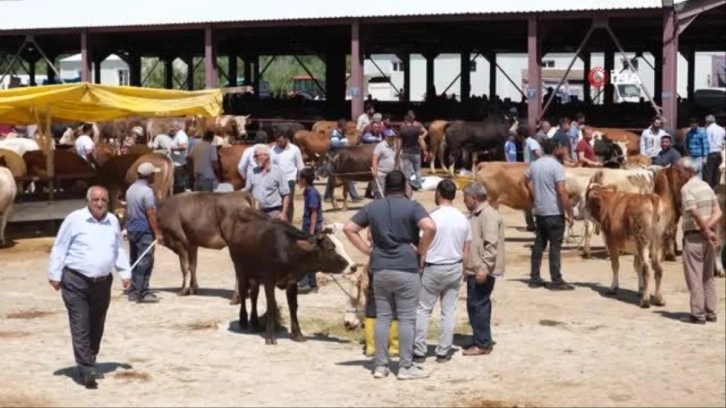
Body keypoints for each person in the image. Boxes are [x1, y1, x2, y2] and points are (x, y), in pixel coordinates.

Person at [343, 170, 436, 380]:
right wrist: (421, 250)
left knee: (382, 318)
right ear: (405, 188)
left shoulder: (373, 207)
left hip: (381, 268)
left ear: (385, 188)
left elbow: (349, 228)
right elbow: (430, 227)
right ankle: (405, 366)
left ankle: (380, 365)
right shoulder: (413, 206)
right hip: (406, 267)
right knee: (406, 319)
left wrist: (368, 251)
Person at [48, 186, 131, 389]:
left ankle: (90, 357)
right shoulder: (74, 220)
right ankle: (86, 370)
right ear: (88, 201)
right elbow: (60, 246)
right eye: (96, 200)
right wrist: (55, 274)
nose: (100, 203)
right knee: (80, 323)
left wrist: (125, 272)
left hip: (102, 282)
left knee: (97, 323)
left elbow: (118, 248)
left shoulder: (112, 220)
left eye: (103, 199)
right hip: (76, 280)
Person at [413, 180, 471, 363]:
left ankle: (419, 350)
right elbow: (466, 248)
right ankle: (443, 350)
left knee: (423, 310)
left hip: (433, 266)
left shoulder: (432, 217)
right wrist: (463, 270)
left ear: (438, 193)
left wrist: (420, 263)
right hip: (454, 266)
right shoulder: (463, 218)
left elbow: (423, 245)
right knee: (449, 311)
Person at [520, 138, 575, 290]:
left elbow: (522, 181)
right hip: (554, 211)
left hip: (540, 211)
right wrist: (569, 212)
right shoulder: (557, 167)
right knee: (555, 246)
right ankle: (556, 280)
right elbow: (561, 191)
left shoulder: (535, 165)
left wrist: (532, 197)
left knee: (539, 244)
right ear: (556, 148)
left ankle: (535, 277)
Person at [462, 182, 504, 356]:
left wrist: (483, 268)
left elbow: (491, 244)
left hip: (482, 269)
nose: (464, 202)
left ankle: (482, 344)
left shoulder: (488, 216)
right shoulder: (476, 215)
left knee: (479, 304)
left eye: (466, 198)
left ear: (474, 197)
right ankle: (479, 338)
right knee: (474, 304)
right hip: (474, 268)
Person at [679, 157, 722, 324]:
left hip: (694, 236)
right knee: (708, 276)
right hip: (707, 236)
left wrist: (703, 230)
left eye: (680, 171)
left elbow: (695, 213)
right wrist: (709, 231)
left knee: (694, 275)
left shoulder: (686, 189)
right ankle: (711, 311)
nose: (679, 174)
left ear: (689, 172)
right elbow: (718, 212)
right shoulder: (706, 186)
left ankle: (698, 313)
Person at [125, 162, 165, 303]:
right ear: (149, 175)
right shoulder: (147, 191)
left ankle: (134, 291)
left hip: (132, 228)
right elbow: (151, 214)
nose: (155, 176)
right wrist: (158, 233)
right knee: (145, 261)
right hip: (144, 230)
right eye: (153, 174)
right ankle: (142, 292)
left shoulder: (131, 189)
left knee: (134, 260)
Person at [244, 144, 290, 220]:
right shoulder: (252, 172)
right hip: (257, 212)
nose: (254, 159)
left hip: (274, 212)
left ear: (265, 156)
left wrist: (283, 213)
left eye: (256, 156)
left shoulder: (278, 172)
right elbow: (247, 191)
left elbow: (285, 194)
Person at [297, 167, 323, 294]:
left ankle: (306, 283)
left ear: (304, 180)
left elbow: (314, 213)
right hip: (307, 227)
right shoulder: (308, 191)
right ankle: (311, 284)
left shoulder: (312, 193)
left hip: (311, 228)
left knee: (307, 256)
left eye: (300, 179)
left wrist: (311, 232)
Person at [271, 130, 304, 222]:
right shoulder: (273, 149)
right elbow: (270, 164)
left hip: (289, 179)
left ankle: (289, 223)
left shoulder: (295, 149)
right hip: (276, 180)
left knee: (289, 202)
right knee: (277, 202)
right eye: (277, 141)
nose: (279, 143)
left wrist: (301, 179)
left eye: (280, 141)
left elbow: (300, 165)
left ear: (286, 139)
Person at [397, 111, 429, 190]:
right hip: (416, 152)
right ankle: (418, 185)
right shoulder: (417, 129)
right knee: (417, 169)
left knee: (406, 170)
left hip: (406, 152)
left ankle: (407, 185)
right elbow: (420, 140)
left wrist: (398, 152)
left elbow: (399, 142)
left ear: (406, 120)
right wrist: (424, 151)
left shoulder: (402, 130)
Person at [522, 128, 541, 231]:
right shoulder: (527, 142)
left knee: (534, 198)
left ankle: (537, 223)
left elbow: (537, 153)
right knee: (527, 198)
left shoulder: (531, 142)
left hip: (533, 173)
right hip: (528, 172)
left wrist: (541, 163)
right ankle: (531, 224)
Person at [371, 129, 398, 199]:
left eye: (393, 137)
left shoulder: (395, 146)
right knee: (380, 192)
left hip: (391, 174)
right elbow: (375, 159)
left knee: (390, 192)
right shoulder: (380, 146)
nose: (392, 138)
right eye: (391, 137)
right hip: (381, 173)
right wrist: (375, 171)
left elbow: (396, 158)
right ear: (386, 137)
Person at [703, 114, 725, 188]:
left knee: (709, 172)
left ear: (707, 122)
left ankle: (709, 188)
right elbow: (723, 141)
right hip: (719, 152)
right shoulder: (721, 129)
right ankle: (717, 187)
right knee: (717, 172)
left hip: (711, 152)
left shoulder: (708, 129)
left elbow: (707, 141)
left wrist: (704, 155)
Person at [170, 120, 190, 192]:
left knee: (179, 186)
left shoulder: (180, 135)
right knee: (178, 185)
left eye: (172, 127)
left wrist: (173, 148)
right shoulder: (178, 135)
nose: (170, 129)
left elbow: (184, 146)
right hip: (177, 164)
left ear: (177, 127)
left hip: (179, 164)